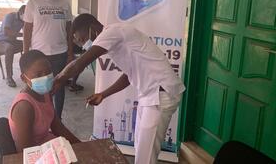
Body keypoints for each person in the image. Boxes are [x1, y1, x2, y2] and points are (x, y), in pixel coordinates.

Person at [51, 13, 185, 164]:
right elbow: (128, 75)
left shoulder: (112, 33)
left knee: (145, 155)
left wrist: (57, 80)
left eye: (82, 39)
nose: (84, 45)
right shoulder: (116, 41)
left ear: (93, 29)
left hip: (160, 95)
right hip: (150, 95)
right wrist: (103, 94)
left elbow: (79, 63)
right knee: (141, 146)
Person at [23, 0, 74, 118]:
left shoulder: (64, 3)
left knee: (59, 87)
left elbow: (69, 29)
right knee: (40, 88)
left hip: (60, 52)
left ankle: (57, 117)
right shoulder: (33, 3)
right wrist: (26, 53)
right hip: (39, 54)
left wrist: (70, 52)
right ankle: (43, 115)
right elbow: (27, 29)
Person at [8, 50, 80, 152]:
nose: (45, 77)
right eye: (38, 75)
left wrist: (82, 146)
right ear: (24, 78)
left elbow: (57, 127)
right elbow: (26, 152)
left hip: (49, 146)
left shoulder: (46, 93)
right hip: (37, 155)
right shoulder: (24, 107)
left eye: (48, 72)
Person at [0, 5, 26, 87]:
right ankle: (9, 77)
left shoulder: (23, 20)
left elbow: (26, 30)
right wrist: (24, 34)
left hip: (12, 41)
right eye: (26, 14)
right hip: (0, 42)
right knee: (9, 48)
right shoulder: (10, 16)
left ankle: (26, 72)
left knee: (27, 44)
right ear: (21, 12)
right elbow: (7, 32)